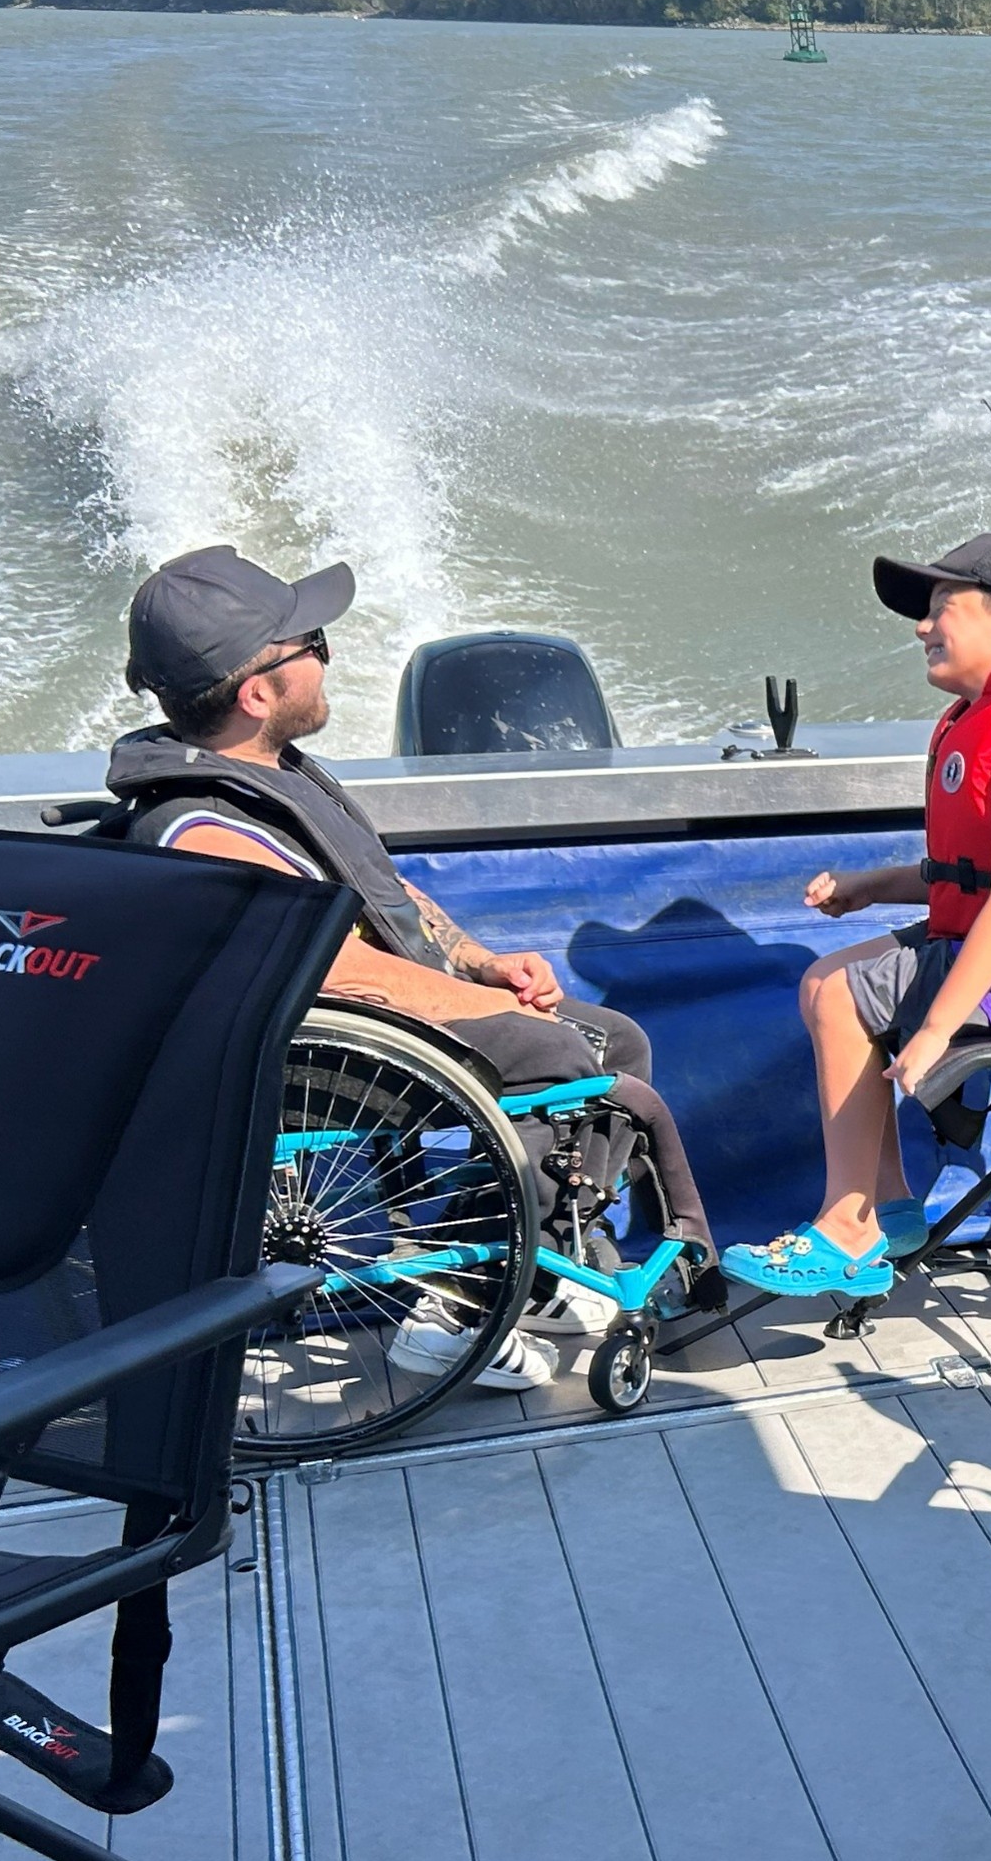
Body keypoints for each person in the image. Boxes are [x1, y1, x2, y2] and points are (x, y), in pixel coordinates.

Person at [112, 544, 716, 1388]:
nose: (326, 659)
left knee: (616, 1040)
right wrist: (495, 1013)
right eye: (312, 646)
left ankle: (538, 1267)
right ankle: (457, 1312)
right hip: (318, 1053)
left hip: (375, 1021)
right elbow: (336, 969)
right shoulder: (202, 826)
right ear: (256, 694)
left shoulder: (273, 772)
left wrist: (483, 964)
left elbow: (386, 894)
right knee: (563, 1056)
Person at [724, 532, 991, 1301]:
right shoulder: (982, 720)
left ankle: (847, 1226)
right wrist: (870, 885)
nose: (922, 625)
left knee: (845, 996)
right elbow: (968, 880)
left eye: (943, 606)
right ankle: (888, 1204)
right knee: (823, 979)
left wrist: (934, 1030)